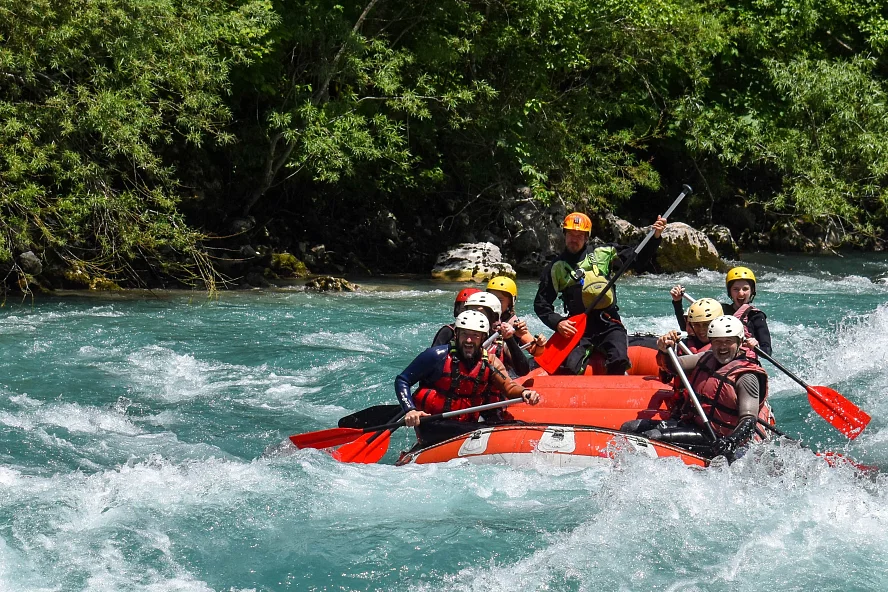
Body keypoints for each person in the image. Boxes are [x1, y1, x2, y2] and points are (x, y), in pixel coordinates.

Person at [534, 211, 668, 374]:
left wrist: (655, 238)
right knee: (569, 368)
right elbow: (541, 304)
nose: (574, 239)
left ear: (586, 237)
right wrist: (558, 322)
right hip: (578, 328)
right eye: (571, 234)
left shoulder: (604, 253)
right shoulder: (556, 267)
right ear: (565, 235)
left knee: (619, 359)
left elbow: (637, 259)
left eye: (579, 235)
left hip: (608, 323)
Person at [622, 315, 773, 460]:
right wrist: (664, 350)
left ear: (740, 342)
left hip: (716, 438)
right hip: (692, 423)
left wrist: (730, 442)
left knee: (652, 438)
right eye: (717, 342)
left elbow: (749, 420)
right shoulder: (707, 357)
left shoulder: (747, 376)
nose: (722, 347)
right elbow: (673, 367)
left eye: (728, 341)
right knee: (629, 426)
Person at [396, 310, 541, 446]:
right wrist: (410, 409)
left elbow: (508, 387)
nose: (469, 340)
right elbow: (403, 380)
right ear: (456, 335)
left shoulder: (489, 362)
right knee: (484, 429)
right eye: (465, 334)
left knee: (516, 425)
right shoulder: (436, 356)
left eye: (475, 335)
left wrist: (524, 392)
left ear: (484, 337)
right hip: (433, 426)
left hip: (467, 426)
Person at [465, 291, 532, 376]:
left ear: (494, 317)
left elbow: (523, 371)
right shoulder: (455, 336)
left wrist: (509, 338)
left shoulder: (500, 343)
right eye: (470, 312)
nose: (474, 317)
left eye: (481, 313)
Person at [487, 276, 547, 358]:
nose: (495, 302)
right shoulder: (479, 315)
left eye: (500, 300)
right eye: (492, 298)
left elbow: (534, 351)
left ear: (510, 303)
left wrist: (540, 345)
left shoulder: (514, 323)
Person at [722, 266, 771, 355]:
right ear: (730, 292)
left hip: (743, 360)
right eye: (736, 289)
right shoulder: (721, 311)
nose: (741, 293)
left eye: (745, 289)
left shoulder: (756, 316)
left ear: (752, 291)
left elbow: (767, 350)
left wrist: (756, 345)